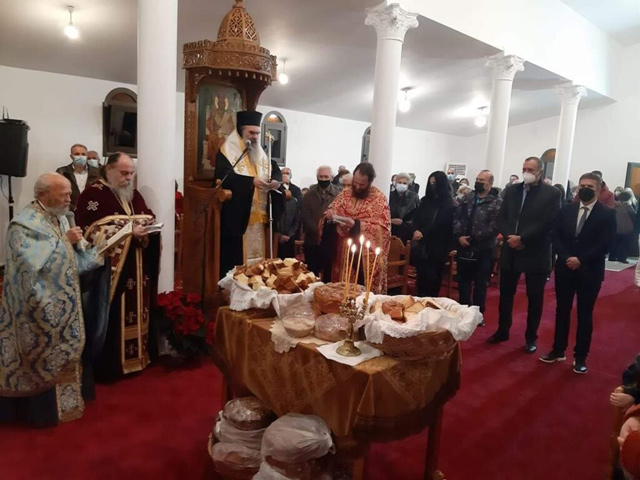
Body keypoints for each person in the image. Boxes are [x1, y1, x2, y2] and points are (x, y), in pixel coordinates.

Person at [0, 173, 103, 426]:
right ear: (43, 194)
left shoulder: (61, 218)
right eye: (63, 194)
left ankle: (68, 402)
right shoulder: (23, 225)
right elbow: (28, 269)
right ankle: (40, 412)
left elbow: (71, 264)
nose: (69, 198)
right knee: (42, 354)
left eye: (69, 193)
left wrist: (96, 251)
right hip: (35, 307)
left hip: (65, 304)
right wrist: (66, 243)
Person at [76, 153, 161, 381]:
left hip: (137, 266)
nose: (128, 178)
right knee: (115, 313)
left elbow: (148, 216)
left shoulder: (134, 194)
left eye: (131, 173)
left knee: (138, 308)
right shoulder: (92, 195)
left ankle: (140, 356)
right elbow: (89, 233)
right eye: (124, 173)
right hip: (111, 273)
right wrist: (128, 232)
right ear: (108, 170)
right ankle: (112, 365)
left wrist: (147, 229)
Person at [539, 172, 616, 374]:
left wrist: (581, 259)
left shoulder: (607, 213)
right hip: (565, 267)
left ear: (598, 189)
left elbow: (606, 243)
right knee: (562, 310)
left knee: (584, 314)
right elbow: (556, 236)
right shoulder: (567, 209)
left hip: (590, 270)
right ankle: (558, 350)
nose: (585, 189)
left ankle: (580, 357)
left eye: (590, 186)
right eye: (582, 186)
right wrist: (566, 257)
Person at [487, 156, 561, 353]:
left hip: (535, 250)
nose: (526, 173)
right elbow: (502, 217)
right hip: (511, 249)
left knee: (534, 298)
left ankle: (531, 337)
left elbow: (548, 222)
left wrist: (523, 239)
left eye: (530, 170)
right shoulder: (512, 190)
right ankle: (503, 330)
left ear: (540, 172)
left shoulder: (551, 193)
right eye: (524, 169)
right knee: (506, 295)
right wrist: (511, 237)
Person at [213, 110, 284, 277]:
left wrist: (276, 180)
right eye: (251, 133)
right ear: (241, 131)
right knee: (238, 263)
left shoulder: (261, 153)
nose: (255, 137)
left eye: (257, 133)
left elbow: (273, 168)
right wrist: (250, 181)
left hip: (261, 219)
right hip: (239, 217)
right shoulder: (227, 152)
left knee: (261, 263)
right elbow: (224, 176)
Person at [322, 163, 391, 293]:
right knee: (337, 292)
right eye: (356, 182)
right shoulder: (345, 193)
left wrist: (357, 225)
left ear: (370, 182)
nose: (358, 187)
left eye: (362, 184)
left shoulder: (379, 199)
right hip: (341, 252)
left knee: (359, 294)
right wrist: (329, 214)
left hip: (361, 255)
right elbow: (331, 209)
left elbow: (383, 231)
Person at [453, 170, 502, 325]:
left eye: (482, 180)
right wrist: (459, 236)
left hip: (483, 248)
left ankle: (477, 315)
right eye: (477, 179)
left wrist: (473, 239)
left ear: (490, 183)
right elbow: (457, 218)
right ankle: (463, 311)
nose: (478, 182)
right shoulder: (467, 198)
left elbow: (495, 226)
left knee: (480, 283)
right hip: (464, 246)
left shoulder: (497, 202)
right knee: (463, 281)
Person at [412, 171, 455, 297]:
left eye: (435, 183)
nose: (432, 186)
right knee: (421, 279)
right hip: (422, 246)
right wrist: (415, 230)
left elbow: (441, 223)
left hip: (437, 245)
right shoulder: (425, 201)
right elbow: (416, 218)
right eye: (430, 183)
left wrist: (423, 232)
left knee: (433, 280)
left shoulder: (448, 204)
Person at [301, 166, 340, 277]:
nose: (323, 179)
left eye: (326, 177)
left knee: (328, 275)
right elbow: (305, 216)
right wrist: (318, 230)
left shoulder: (339, 194)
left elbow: (340, 215)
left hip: (331, 241)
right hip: (312, 241)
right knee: (312, 275)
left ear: (332, 177)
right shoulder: (309, 195)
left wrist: (325, 231)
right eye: (321, 177)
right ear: (317, 177)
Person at [56, 143, 101, 210]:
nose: (80, 156)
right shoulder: (62, 172)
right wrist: (73, 208)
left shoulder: (97, 172)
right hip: (69, 210)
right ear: (71, 156)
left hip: (93, 209)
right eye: (77, 154)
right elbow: (58, 193)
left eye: (83, 154)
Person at [389, 172, 420, 243]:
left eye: (404, 183)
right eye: (399, 182)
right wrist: (391, 220)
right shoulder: (389, 195)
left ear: (408, 185)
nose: (402, 185)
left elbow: (417, 215)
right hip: (391, 230)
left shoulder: (414, 197)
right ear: (395, 183)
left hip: (407, 231)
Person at [278, 169, 301, 259]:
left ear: (291, 176)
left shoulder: (296, 190)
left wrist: (289, 234)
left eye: (287, 173)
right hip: (278, 234)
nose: (285, 175)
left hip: (291, 233)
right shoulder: (276, 189)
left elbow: (298, 212)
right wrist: (279, 235)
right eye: (283, 173)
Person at [610, 190, 636, 263]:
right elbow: (633, 214)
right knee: (624, 244)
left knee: (615, 242)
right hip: (625, 227)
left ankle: (612, 256)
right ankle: (622, 258)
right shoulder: (627, 206)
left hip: (616, 226)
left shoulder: (615, 205)